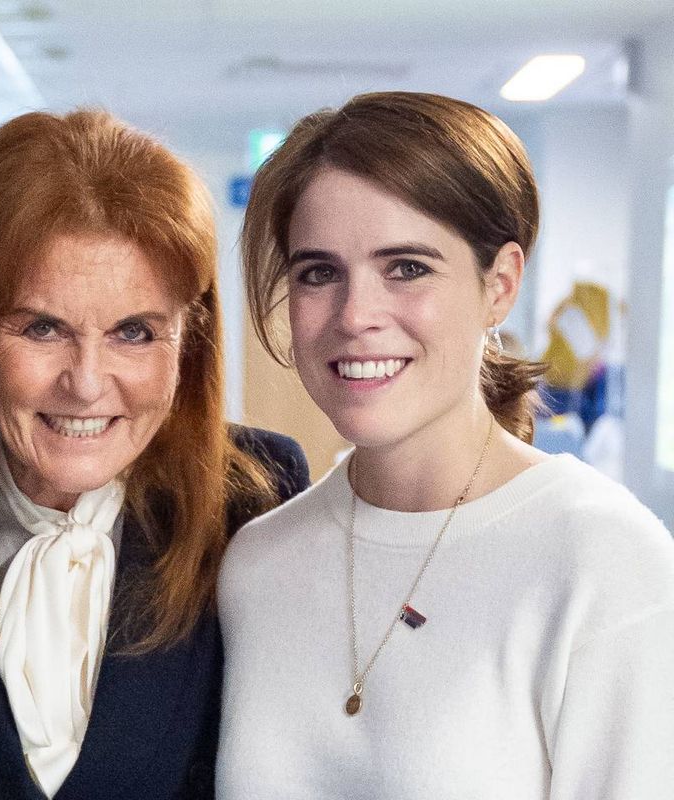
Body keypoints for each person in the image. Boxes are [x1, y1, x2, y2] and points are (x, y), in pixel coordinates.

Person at [217, 91, 674, 798]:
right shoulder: (256, 563)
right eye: (319, 273)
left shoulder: (603, 561)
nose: (355, 316)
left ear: (501, 285)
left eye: (406, 268)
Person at [0, 108, 309, 800]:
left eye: (134, 332)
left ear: (188, 341)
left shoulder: (256, 500)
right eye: (42, 328)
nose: (86, 383)